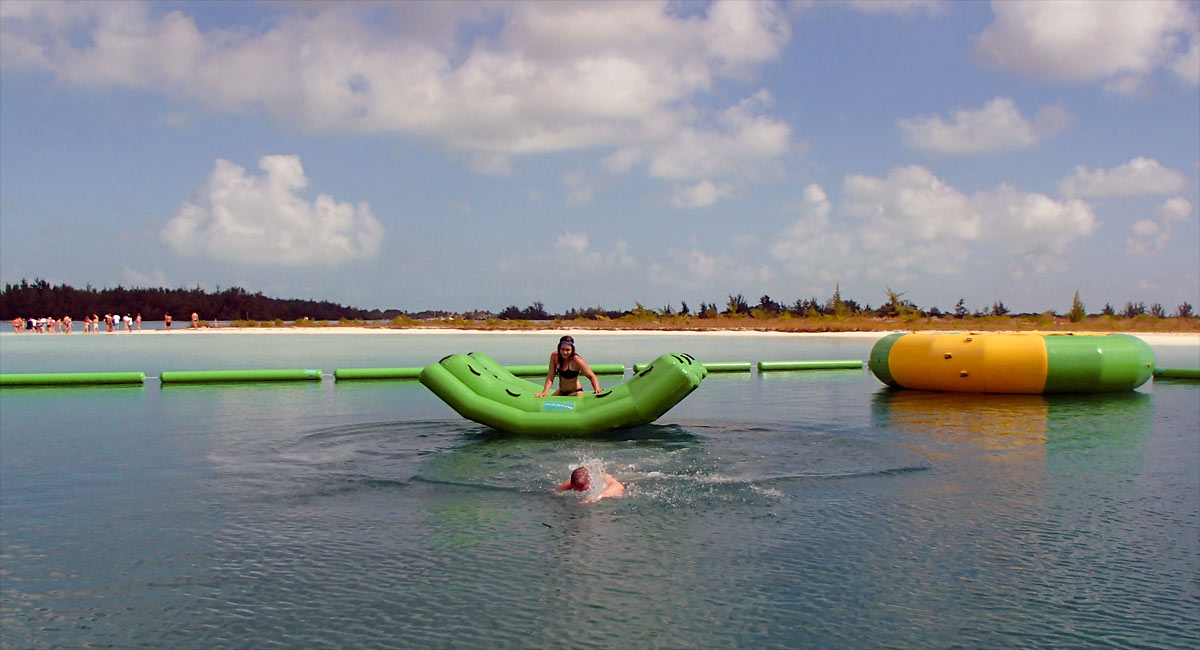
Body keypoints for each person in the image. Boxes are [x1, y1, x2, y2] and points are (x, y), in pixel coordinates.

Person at [535, 335, 602, 397]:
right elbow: (550, 376)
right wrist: (545, 392)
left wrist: (597, 389)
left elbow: (591, 376)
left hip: (575, 392)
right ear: (559, 348)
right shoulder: (555, 356)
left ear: (572, 349)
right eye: (562, 349)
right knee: (547, 403)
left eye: (568, 350)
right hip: (561, 391)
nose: (564, 352)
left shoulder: (576, 360)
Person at [557, 466, 625, 504]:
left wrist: (599, 496)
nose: (577, 491)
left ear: (589, 483)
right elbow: (558, 491)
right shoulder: (573, 482)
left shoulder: (601, 479)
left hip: (621, 479)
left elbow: (620, 487)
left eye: (582, 490)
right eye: (575, 489)